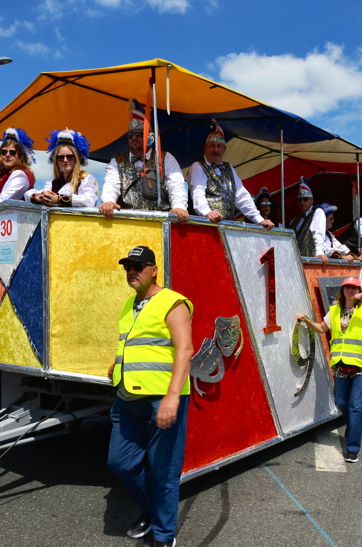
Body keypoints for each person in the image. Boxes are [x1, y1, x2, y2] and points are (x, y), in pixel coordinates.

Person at [106, 246, 194, 547]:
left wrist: (171, 398)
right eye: (127, 266)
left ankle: (163, 535)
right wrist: (117, 364)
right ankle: (151, 510)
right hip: (127, 396)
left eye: (139, 266)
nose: (132, 271)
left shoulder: (173, 302)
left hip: (163, 399)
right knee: (121, 463)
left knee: (163, 471)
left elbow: (185, 349)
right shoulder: (128, 305)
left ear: (153, 269)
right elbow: (131, 344)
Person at [297, 276, 362, 463]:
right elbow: (322, 328)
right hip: (340, 365)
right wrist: (306, 320)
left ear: (359, 290)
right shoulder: (335, 310)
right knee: (341, 402)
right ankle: (353, 426)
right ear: (343, 289)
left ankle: (352, 448)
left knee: (356, 406)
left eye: (354, 287)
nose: (350, 290)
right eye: (347, 287)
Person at [99, 100, 189, 222]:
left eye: (139, 134)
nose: (134, 137)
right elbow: (111, 184)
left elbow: (175, 185)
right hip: (126, 223)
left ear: (150, 137)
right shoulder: (116, 162)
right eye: (130, 135)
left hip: (159, 222)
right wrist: (108, 201)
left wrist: (179, 207)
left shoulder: (165, 158)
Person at [188, 120, 274, 229]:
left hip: (224, 228)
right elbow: (198, 194)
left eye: (219, 146)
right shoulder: (198, 166)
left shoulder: (229, 167)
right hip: (202, 227)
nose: (216, 149)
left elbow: (242, 196)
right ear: (205, 148)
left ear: (224, 150)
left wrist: (259, 220)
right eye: (212, 145)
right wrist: (207, 212)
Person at [25, 128, 98, 208]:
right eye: (60, 158)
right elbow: (27, 194)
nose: (65, 160)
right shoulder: (52, 184)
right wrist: (39, 197)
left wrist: (58, 199)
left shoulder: (85, 180)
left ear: (76, 159)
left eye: (70, 157)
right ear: (56, 161)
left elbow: (89, 201)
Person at [288, 177, 325, 258]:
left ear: (312, 201)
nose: (302, 202)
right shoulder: (294, 220)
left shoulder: (317, 213)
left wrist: (319, 252)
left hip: (311, 258)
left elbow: (318, 234)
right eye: (299, 200)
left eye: (305, 199)